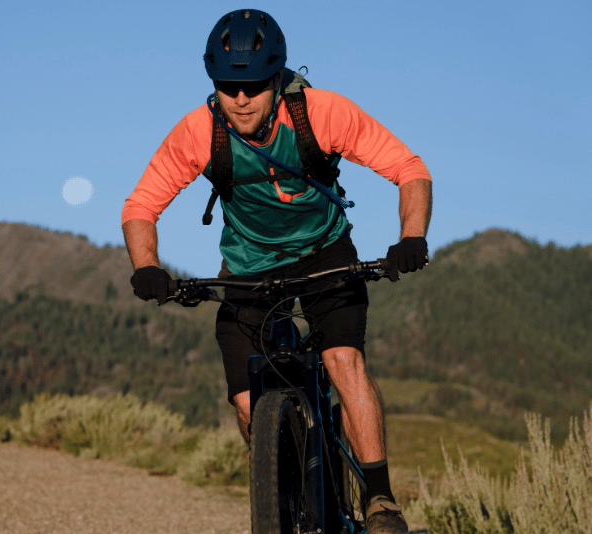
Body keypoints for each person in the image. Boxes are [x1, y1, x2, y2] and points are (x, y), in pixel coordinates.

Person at [122, 9, 431, 534]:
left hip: (326, 253)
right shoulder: (200, 132)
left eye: (253, 86)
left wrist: (412, 236)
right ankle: (281, 491)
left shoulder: (322, 113)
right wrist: (147, 266)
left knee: (342, 359)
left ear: (276, 78)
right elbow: (141, 206)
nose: (240, 99)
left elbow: (409, 170)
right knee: (247, 400)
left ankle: (380, 500)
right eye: (227, 86)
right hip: (248, 265)